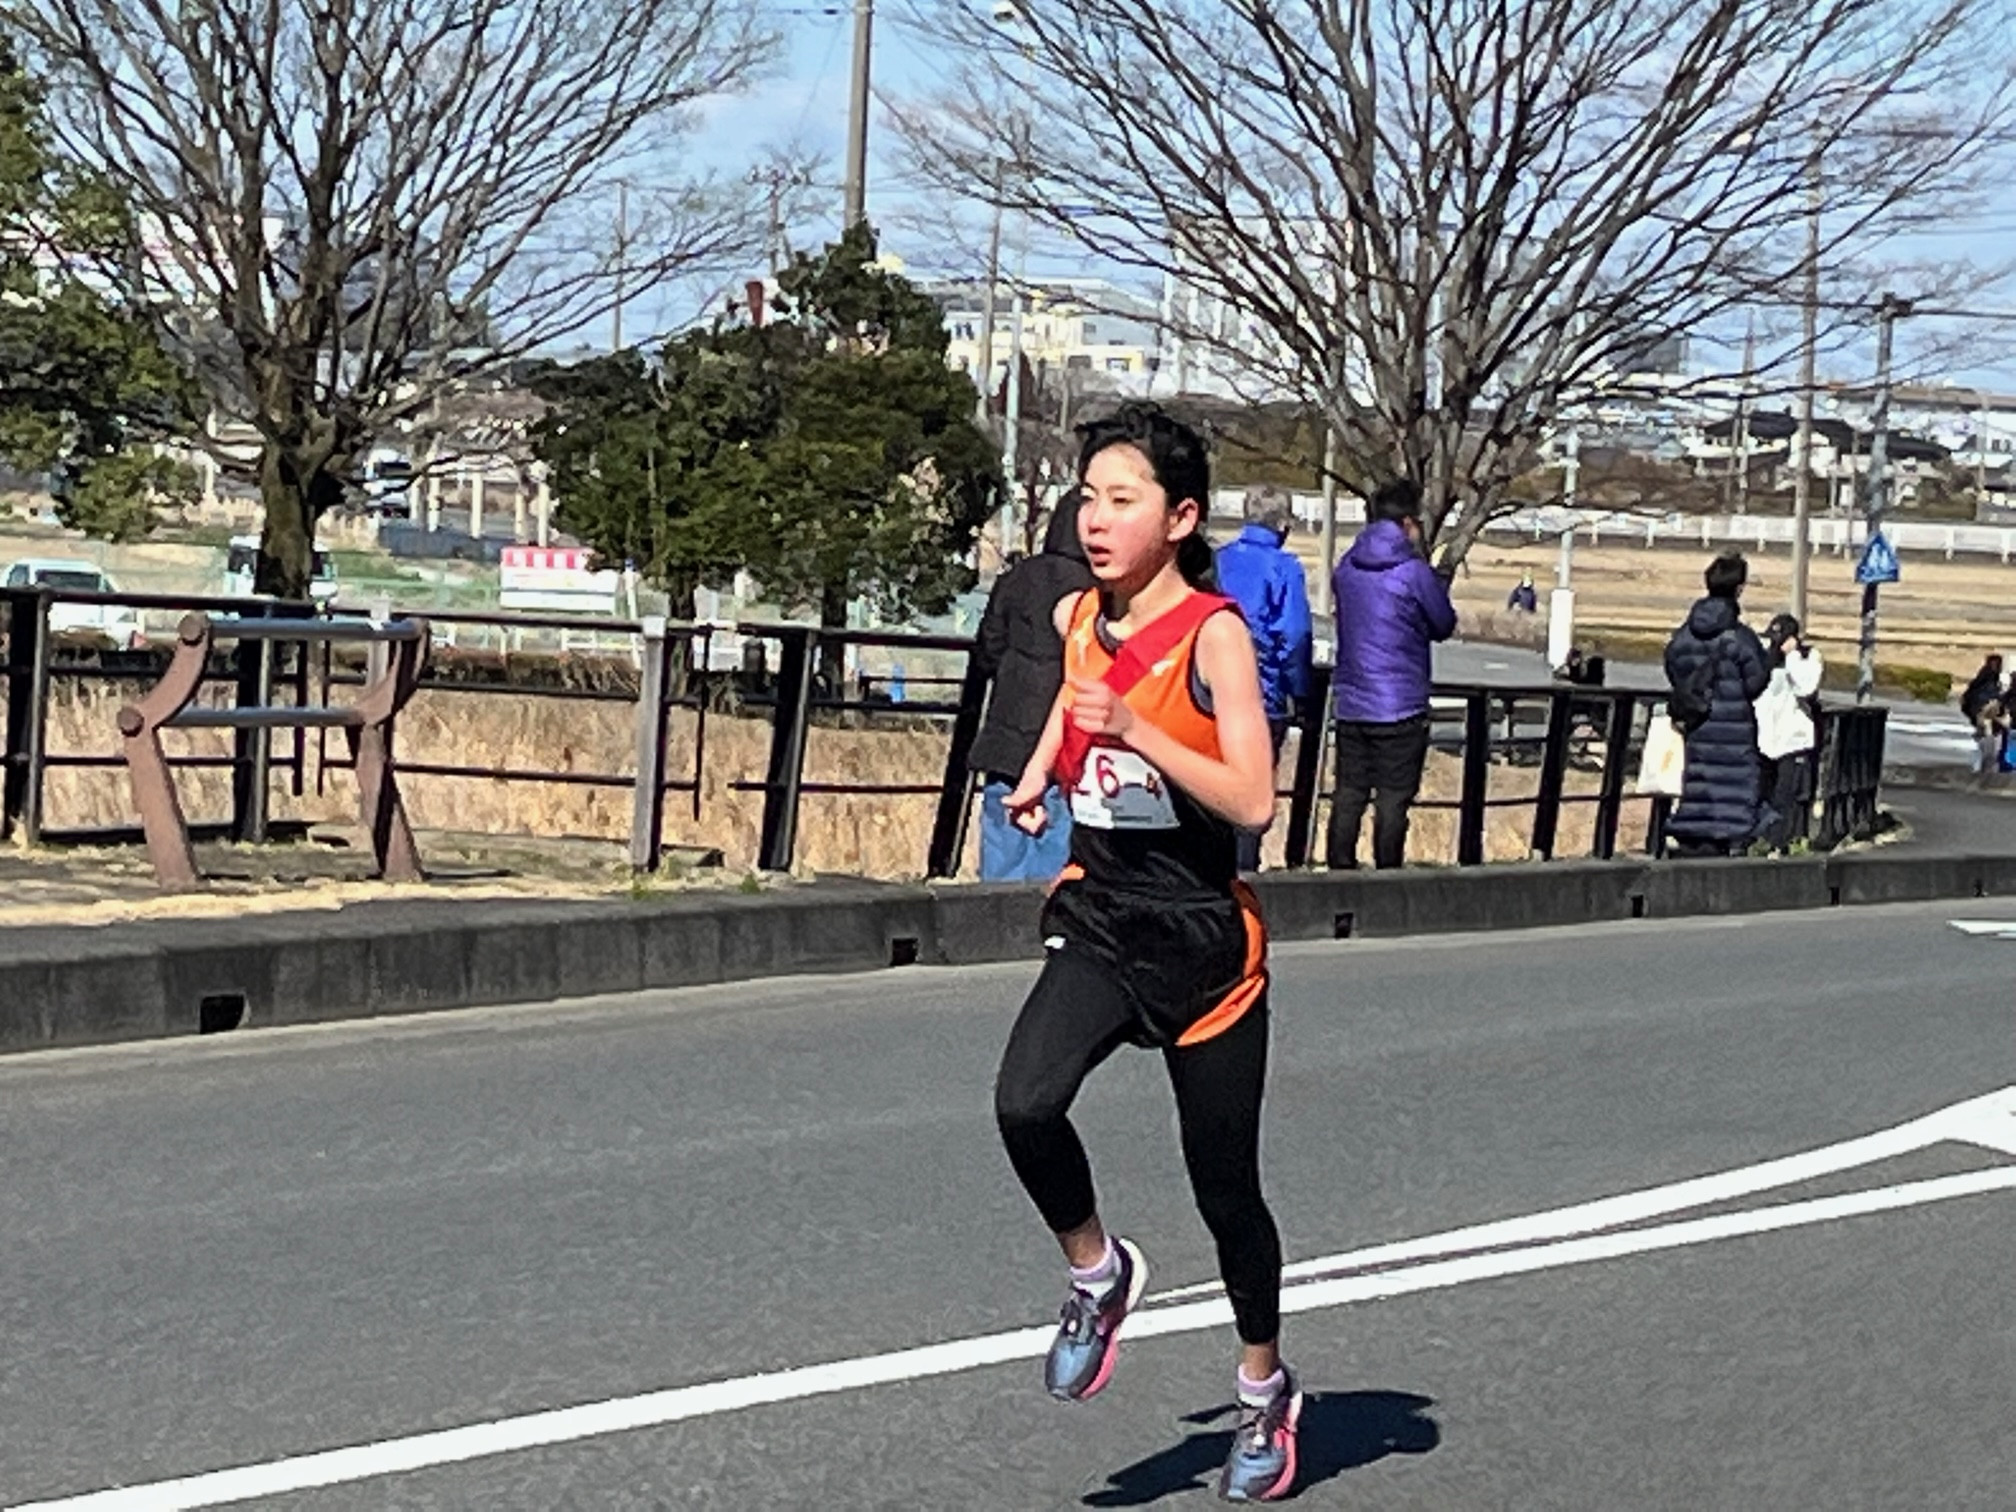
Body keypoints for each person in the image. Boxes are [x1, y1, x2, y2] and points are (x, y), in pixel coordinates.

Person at [995, 402, 1298, 1503]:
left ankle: (1264, 1389)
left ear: (1180, 518)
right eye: (1088, 497)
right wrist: (1042, 771)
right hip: (1103, 915)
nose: (1096, 518)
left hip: (1204, 942)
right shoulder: (1081, 612)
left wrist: (1141, 734)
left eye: (1122, 500)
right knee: (1026, 1102)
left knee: (1225, 1191)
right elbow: (1078, 702)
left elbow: (1253, 800)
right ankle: (1097, 1269)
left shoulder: (1215, 634)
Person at [1326, 478, 1458, 869]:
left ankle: (1338, 870)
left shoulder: (1347, 566)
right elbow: (1443, 623)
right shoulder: (1413, 572)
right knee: (1393, 797)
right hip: (1400, 701)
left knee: (1349, 792)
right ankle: (1387, 873)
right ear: (1408, 523)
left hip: (1352, 700)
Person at [968, 489, 1097, 881]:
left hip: (1007, 732)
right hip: (1066, 739)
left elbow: (988, 648)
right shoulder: (1098, 591)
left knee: (1002, 841)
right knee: (1056, 848)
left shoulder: (1016, 578)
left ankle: (996, 910)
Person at [1214, 484, 1314, 871]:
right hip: (1262, 693)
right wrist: (1300, 691)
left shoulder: (1218, 560)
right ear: (1283, 524)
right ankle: (1243, 877)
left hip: (1211, 691)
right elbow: (1294, 635)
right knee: (1251, 793)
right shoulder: (1284, 568)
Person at [1662, 552, 1770, 856]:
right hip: (1735, 732)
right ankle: (1725, 846)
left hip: (1697, 726)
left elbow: (1673, 668)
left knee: (1698, 783)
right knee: (1735, 790)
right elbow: (1755, 682)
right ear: (1739, 588)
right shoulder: (1740, 638)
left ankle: (1693, 840)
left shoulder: (1683, 637)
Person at [1753, 612, 1824, 852]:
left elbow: (1805, 687)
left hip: (1793, 741)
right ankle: (1762, 842)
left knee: (1787, 797)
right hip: (1764, 740)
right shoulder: (1764, 659)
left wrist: (1792, 655)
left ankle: (1784, 843)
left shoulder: (1808, 657)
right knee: (1763, 795)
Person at [1960, 653, 2005, 774]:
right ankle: (1984, 770)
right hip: (1984, 715)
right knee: (1989, 743)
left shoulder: (1984, 678)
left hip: (1980, 715)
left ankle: (1980, 769)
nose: (1999, 667)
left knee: (1984, 743)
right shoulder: (1989, 679)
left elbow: (1967, 699)